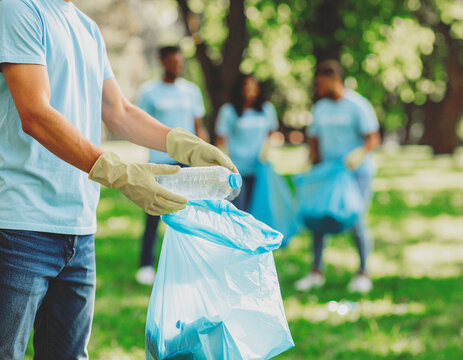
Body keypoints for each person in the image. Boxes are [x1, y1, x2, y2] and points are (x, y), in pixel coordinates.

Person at [0, 1, 236, 359]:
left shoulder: (85, 27)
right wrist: (119, 172)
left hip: (79, 231)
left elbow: (118, 111)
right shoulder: (18, 9)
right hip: (19, 226)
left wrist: (182, 143)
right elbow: (35, 112)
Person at [295, 60, 380, 293]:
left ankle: (363, 273)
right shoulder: (320, 109)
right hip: (327, 173)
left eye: (322, 84)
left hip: (356, 173)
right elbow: (314, 143)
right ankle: (316, 271)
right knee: (318, 219)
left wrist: (360, 153)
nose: (318, 88)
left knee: (356, 219)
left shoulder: (357, 105)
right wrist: (309, 165)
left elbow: (372, 138)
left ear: (335, 80)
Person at [135, 46, 209, 285]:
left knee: (188, 213)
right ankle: (146, 265)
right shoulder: (149, 92)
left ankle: (186, 265)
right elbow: (138, 124)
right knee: (154, 213)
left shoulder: (191, 91)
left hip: (186, 163)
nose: (177, 66)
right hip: (159, 162)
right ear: (162, 61)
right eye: (172, 61)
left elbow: (197, 126)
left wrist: (203, 155)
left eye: (180, 61)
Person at [215, 73, 278, 211]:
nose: (250, 90)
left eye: (253, 87)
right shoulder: (229, 111)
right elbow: (221, 142)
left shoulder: (267, 110)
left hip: (259, 169)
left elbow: (271, 137)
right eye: (246, 86)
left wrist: (267, 155)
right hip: (236, 170)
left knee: (257, 211)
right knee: (239, 210)